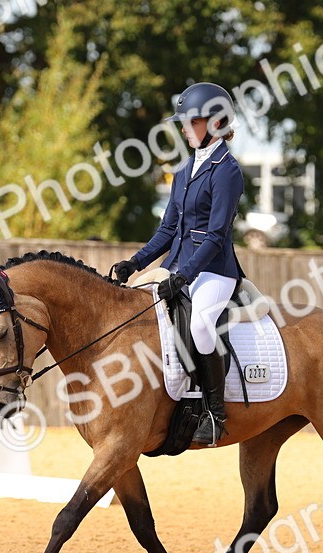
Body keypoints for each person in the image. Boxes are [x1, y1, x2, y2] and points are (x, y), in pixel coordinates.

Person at [111, 82, 245, 446]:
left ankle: (215, 414)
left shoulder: (227, 170)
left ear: (215, 123)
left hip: (215, 270)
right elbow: (169, 228)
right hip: (177, 266)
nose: (184, 128)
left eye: (190, 121)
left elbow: (217, 234)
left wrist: (184, 274)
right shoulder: (185, 171)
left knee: (201, 325)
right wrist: (134, 263)